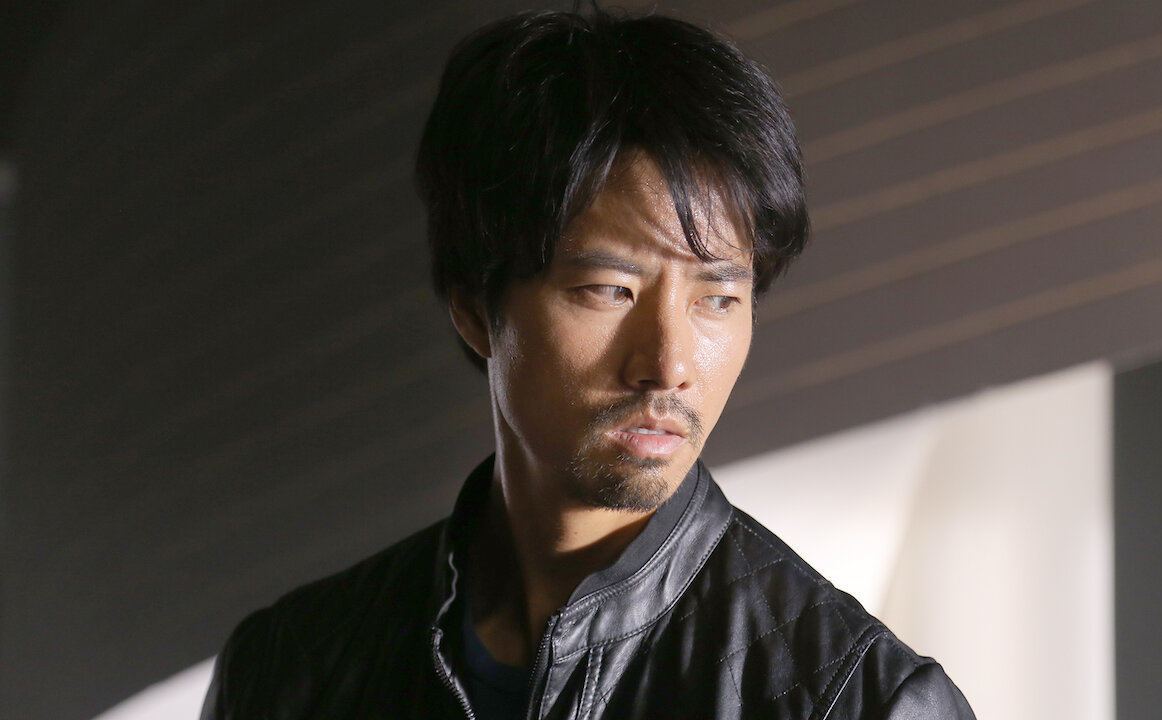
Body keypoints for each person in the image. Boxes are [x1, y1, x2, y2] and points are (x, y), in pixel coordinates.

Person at [202, 7, 975, 720]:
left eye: (717, 298)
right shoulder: (286, 672)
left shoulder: (859, 700)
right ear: (474, 305)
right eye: (609, 289)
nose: (668, 365)